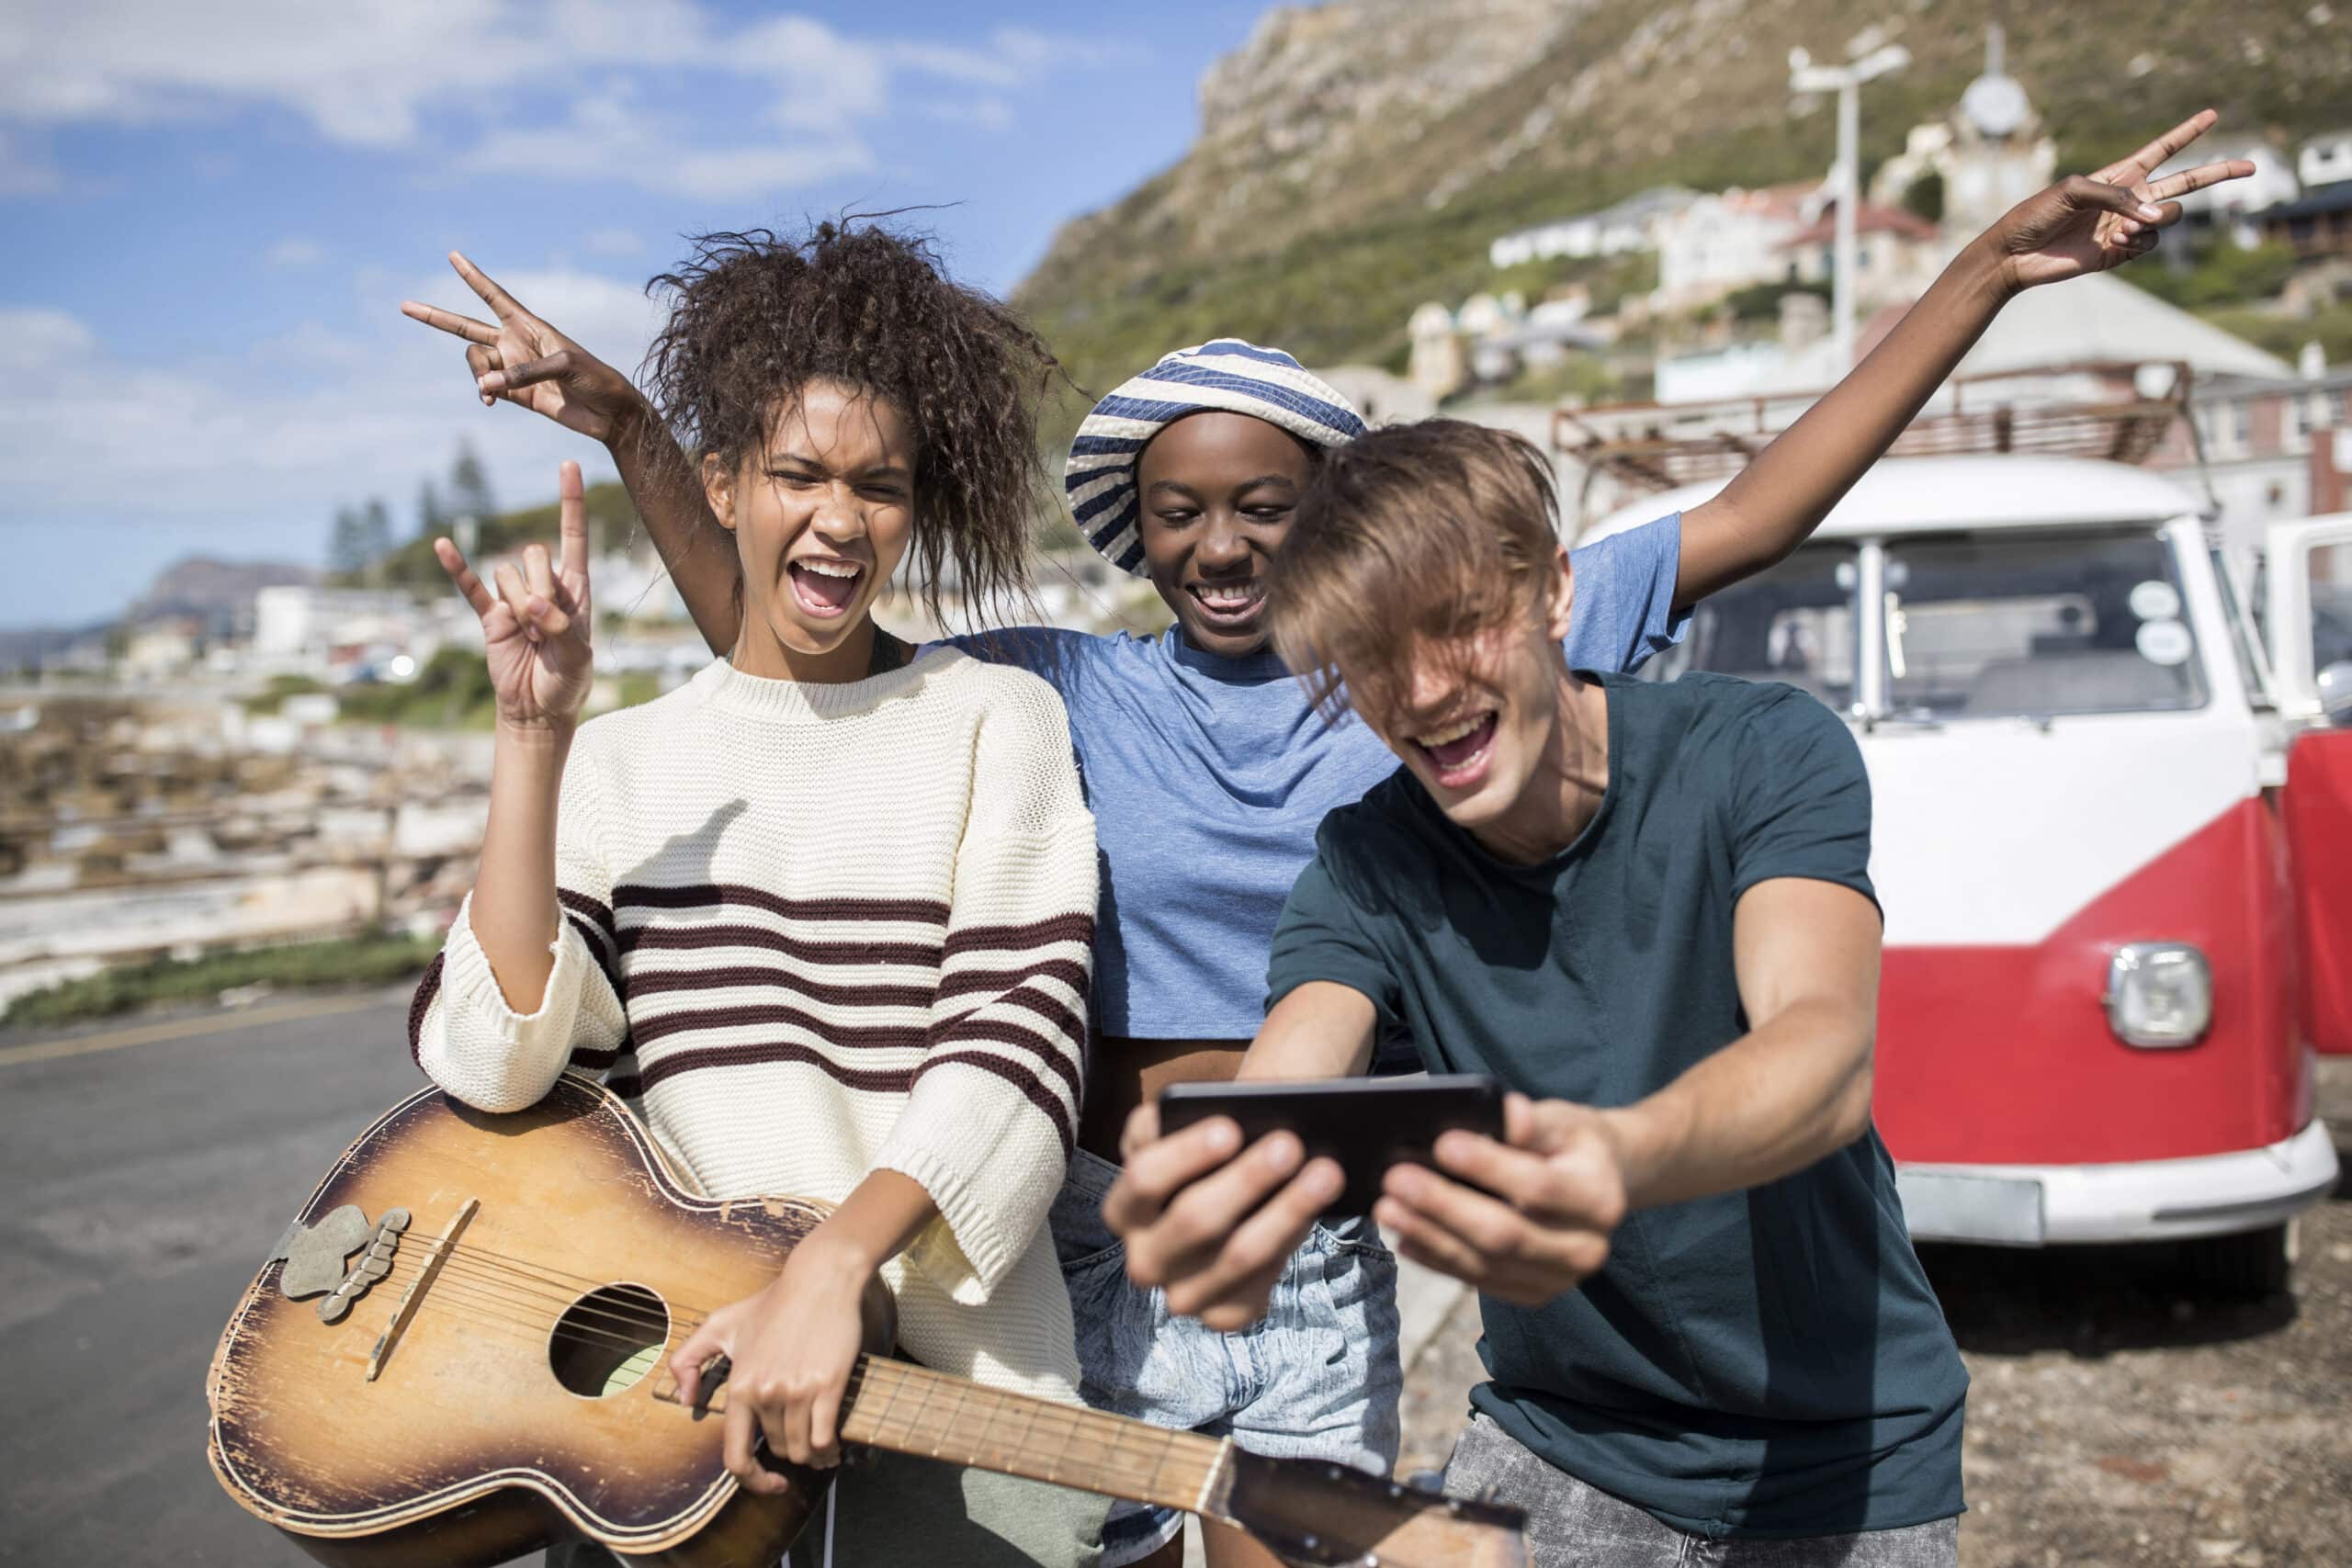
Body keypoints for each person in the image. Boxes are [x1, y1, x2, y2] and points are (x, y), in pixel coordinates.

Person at [399, 110, 2245, 1568]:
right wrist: (645, 431)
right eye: (1183, 515)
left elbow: (1756, 510)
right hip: (1106, 1222)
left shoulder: (1433, 639)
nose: (1224, 548)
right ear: (1136, 536)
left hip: (1327, 1235)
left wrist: (1982, 277)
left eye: (1266, 508)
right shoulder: (1064, 685)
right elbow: (783, 615)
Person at [1098, 121, 2252, 1568]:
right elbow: (1301, 1061)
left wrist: (1617, 1159)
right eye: (1375, 660)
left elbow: (1822, 1059)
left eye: (1459, 624)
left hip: (1846, 1451)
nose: (1429, 687)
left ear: (1557, 591)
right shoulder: (1368, 860)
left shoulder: (1758, 751)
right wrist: (1240, 1179)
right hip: (1559, 1445)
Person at [405, 225, 1109, 1567]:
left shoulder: (992, 721)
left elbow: (1014, 1051)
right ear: (723, 484)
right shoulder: (617, 760)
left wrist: (832, 1272)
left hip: (952, 1410)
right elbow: (496, 1063)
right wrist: (533, 738)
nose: (840, 519)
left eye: (879, 486)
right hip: (661, 1412)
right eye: (798, 474)